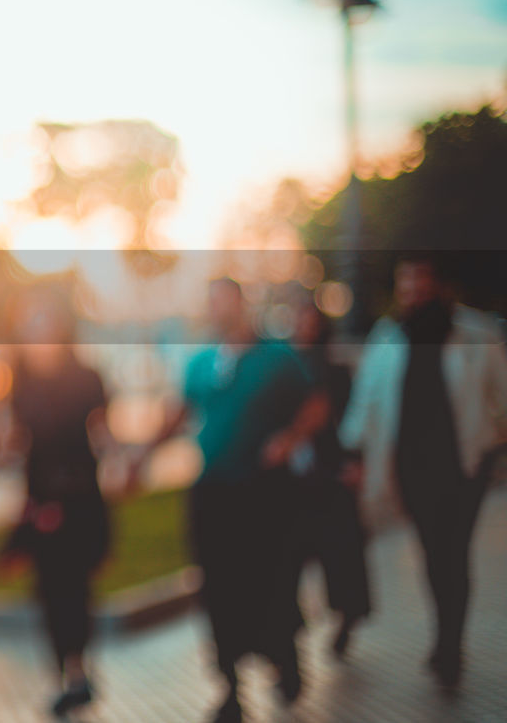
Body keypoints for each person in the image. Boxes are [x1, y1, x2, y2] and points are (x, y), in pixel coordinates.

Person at [129, 278, 324, 723]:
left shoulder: (278, 358)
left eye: (227, 303)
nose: (221, 312)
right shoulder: (201, 363)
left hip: (266, 496)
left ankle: (283, 658)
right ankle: (230, 688)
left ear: (244, 306)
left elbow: (316, 404)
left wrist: (290, 439)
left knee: (271, 581)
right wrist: (141, 454)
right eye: (213, 304)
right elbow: (179, 414)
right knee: (217, 588)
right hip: (214, 494)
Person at [339, 255, 507, 690]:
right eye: (406, 282)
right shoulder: (388, 337)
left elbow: (501, 395)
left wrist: (494, 441)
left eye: (421, 280)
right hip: (413, 466)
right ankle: (444, 634)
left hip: (465, 464)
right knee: (435, 554)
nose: (413, 289)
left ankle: (450, 643)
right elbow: (365, 402)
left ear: (438, 283)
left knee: (455, 553)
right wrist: (353, 453)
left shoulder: (475, 333)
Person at [0, 286, 113, 718]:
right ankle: (66, 675)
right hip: (40, 502)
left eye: (41, 321)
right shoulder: (19, 379)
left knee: (76, 589)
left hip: (79, 499)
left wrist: (128, 462)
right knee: (48, 591)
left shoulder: (86, 377)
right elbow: (13, 437)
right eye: (28, 323)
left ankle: (79, 673)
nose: (34, 331)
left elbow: (102, 434)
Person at [286, 300, 371, 658]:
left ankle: (347, 617)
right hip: (292, 481)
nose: (304, 328)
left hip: (331, 472)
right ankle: (290, 627)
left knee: (340, 555)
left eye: (311, 322)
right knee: (288, 558)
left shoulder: (336, 371)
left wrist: (355, 462)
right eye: (298, 321)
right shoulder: (283, 370)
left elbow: (354, 420)